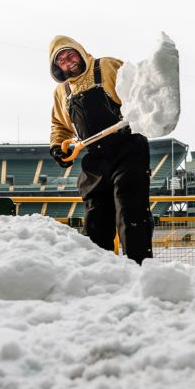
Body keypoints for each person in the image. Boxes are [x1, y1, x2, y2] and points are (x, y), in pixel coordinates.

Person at [48, 35, 153, 264]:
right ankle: (100, 275)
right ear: (57, 67)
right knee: (95, 219)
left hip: (128, 149)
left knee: (130, 212)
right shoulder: (62, 92)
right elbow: (60, 126)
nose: (68, 61)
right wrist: (58, 147)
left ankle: (141, 270)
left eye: (70, 54)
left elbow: (139, 92)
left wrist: (143, 111)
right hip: (95, 159)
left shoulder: (106, 66)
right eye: (62, 60)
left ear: (79, 51)